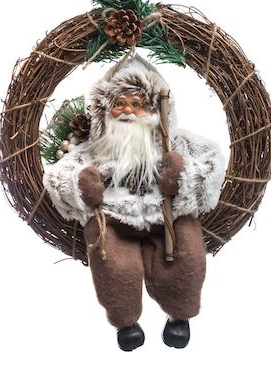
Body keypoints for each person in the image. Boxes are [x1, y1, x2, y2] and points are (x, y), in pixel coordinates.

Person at [43, 54, 226, 350]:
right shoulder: (95, 149)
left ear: (154, 109)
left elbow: (213, 164)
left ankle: (180, 316)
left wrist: (183, 178)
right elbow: (57, 176)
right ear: (105, 110)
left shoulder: (176, 143)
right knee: (113, 264)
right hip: (115, 221)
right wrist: (79, 185)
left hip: (167, 218)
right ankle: (125, 323)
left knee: (187, 255)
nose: (127, 111)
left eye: (136, 104)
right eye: (119, 103)